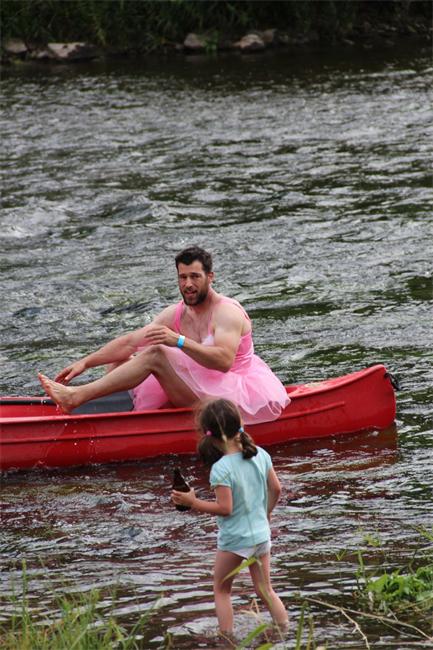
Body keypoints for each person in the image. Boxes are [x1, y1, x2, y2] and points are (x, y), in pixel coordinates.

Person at [38, 246, 289, 420]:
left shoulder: (227, 313)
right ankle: (108, 414)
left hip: (232, 396)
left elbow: (223, 361)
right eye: (183, 277)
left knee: (157, 353)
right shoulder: (176, 313)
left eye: (195, 277)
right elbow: (130, 342)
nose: (188, 284)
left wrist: (178, 341)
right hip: (198, 386)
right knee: (124, 358)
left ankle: (76, 397)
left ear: (210, 277)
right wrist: (85, 362)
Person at [172, 398, 288, 636]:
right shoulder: (260, 454)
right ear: (239, 424)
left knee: (222, 590)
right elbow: (276, 489)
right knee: (266, 590)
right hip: (261, 535)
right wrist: (266, 513)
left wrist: (192, 502)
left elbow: (225, 508)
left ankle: (227, 639)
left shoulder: (221, 468)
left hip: (236, 540)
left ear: (208, 434)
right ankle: (285, 632)